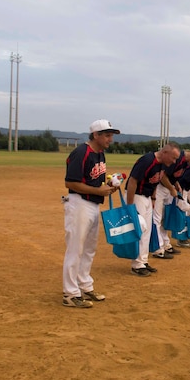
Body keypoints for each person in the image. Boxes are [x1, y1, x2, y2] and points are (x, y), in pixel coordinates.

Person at [62, 119, 121, 308]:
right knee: (75, 249)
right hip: (79, 204)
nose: (110, 139)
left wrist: (109, 186)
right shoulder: (81, 153)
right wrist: (98, 191)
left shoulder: (100, 154)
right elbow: (70, 183)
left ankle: (85, 286)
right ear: (95, 135)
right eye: (107, 135)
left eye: (111, 135)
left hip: (94, 204)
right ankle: (70, 294)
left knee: (89, 249)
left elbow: (95, 181)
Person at [124, 142, 181, 276]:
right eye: (173, 158)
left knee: (147, 230)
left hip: (147, 197)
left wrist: (154, 198)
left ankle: (143, 261)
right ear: (165, 153)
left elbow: (155, 182)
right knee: (140, 229)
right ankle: (137, 265)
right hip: (137, 195)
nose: (174, 161)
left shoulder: (162, 164)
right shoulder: (147, 160)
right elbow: (132, 181)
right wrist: (130, 206)